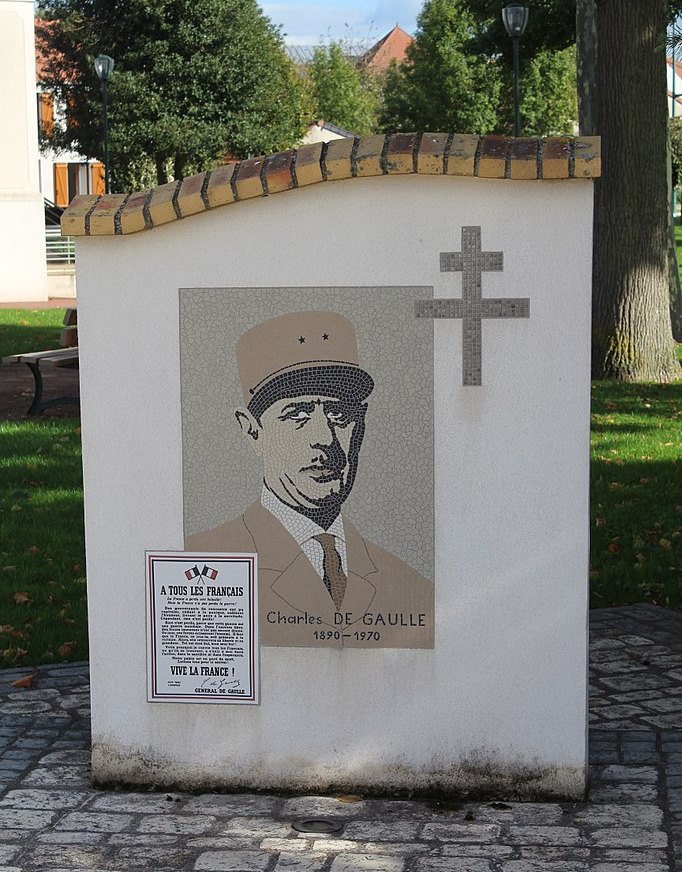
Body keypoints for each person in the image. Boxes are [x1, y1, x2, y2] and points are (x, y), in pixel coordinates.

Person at [186, 311, 433, 649]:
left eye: (339, 414)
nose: (325, 438)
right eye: (297, 413)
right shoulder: (205, 559)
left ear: (360, 426)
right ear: (253, 431)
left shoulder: (410, 587)